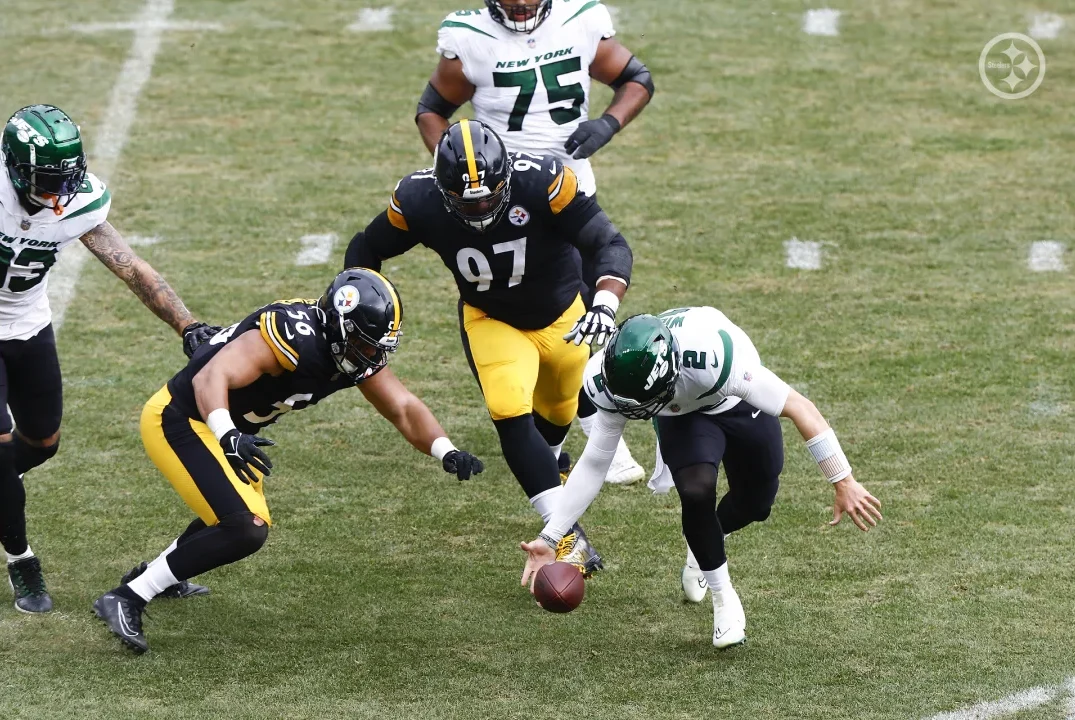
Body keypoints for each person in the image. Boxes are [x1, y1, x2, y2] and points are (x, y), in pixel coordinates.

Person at [92, 268, 484, 653]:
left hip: (224, 428)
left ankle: (155, 575)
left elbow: (402, 407)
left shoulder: (345, 347)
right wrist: (229, 434)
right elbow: (210, 378)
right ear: (339, 325)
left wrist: (444, 449)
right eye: (365, 345)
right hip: (182, 418)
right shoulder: (295, 335)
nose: (371, 356)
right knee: (246, 526)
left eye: (376, 346)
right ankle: (128, 596)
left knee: (235, 515)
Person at [345, 119, 633, 576]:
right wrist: (355, 298)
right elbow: (367, 246)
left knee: (557, 414)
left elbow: (608, 241)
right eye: (465, 199)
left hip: (563, 314)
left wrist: (603, 302)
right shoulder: (418, 200)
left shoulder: (543, 181)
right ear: (442, 190)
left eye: (487, 195)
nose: (478, 207)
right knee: (509, 412)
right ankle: (564, 534)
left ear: (506, 180)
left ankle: (552, 463)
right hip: (491, 317)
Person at [521, 308, 883, 648]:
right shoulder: (607, 378)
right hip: (683, 416)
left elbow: (802, 409)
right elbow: (596, 462)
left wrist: (843, 480)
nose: (634, 413)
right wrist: (551, 535)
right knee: (696, 491)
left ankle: (706, 543)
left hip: (732, 402)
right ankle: (724, 599)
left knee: (757, 502)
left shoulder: (714, 359)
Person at [415, 0, 655, 484]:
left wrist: (606, 124)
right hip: (505, 204)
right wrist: (459, 176)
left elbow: (638, 80)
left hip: (572, 191)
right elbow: (432, 112)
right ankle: (572, 428)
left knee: (589, 311)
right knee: (532, 312)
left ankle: (583, 429)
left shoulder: (580, 18)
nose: (520, 4)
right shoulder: (469, 36)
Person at [0, 104, 216, 614]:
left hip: (27, 321)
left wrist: (187, 325)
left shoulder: (79, 201)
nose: (58, 194)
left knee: (42, 442)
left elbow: (131, 267)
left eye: (64, 179)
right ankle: (21, 559)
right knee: (1, 444)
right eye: (46, 180)